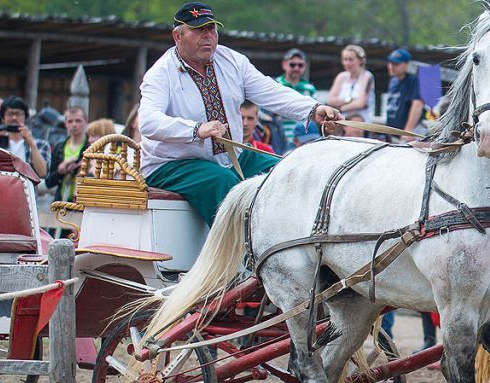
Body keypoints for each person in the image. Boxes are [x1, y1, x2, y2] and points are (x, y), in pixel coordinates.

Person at [138, 2, 341, 226]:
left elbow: (269, 91)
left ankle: (291, 242)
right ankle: (244, 258)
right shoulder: (160, 73)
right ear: (177, 36)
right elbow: (148, 122)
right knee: (223, 181)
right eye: (198, 30)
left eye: (211, 29)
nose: (207, 36)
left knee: (286, 169)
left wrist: (313, 109)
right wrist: (196, 130)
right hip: (171, 164)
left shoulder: (232, 61)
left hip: (226, 159)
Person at [0, 96, 50, 177]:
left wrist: (32, 144)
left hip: (26, 188)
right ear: (3, 118)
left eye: (18, 114)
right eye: (10, 114)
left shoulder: (41, 144)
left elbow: (43, 173)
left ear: (25, 117)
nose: (14, 117)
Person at [272, 48, 317, 153]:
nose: (296, 68)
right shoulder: (275, 84)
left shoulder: (309, 88)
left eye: (300, 65)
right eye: (292, 65)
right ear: (284, 65)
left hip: (304, 138)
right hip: (279, 137)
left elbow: (313, 115)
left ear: (305, 66)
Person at [46, 106, 88, 204]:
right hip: (60, 203)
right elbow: (49, 182)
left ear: (86, 122)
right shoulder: (59, 147)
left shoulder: (91, 147)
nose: (74, 125)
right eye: (70, 121)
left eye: (78, 121)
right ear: (65, 124)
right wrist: (60, 171)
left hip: (82, 204)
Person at [326, 45, 375, 122]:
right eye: (345, 59)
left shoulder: (367, 76)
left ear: (360, 60)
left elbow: (360, 103)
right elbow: (330, 100)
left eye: (351, 59)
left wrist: (339, 109)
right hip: (342, 122)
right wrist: (350, 100)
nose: (347, 63)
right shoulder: (341, 76)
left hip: (361, 123)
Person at [384, 48, 425, 141]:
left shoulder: (414, 80)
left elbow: (417, 104)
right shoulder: (393, 81)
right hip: (393, 133)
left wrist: (409, 130)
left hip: (407, 134)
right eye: (390, 63)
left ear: (407, 64)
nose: (392, 66)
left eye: (396, 64)